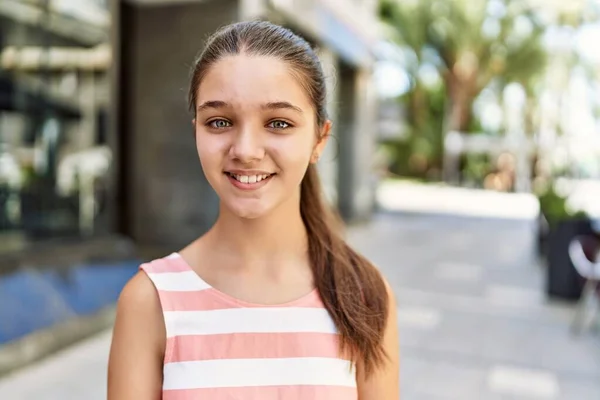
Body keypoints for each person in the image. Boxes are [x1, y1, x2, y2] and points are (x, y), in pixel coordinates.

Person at [107, 20, 399, 399]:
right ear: (196, 130)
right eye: (220, 122)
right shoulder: (150, 301)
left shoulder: (363, 295)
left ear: (319, 139)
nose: (245, 149)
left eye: (278, 123)